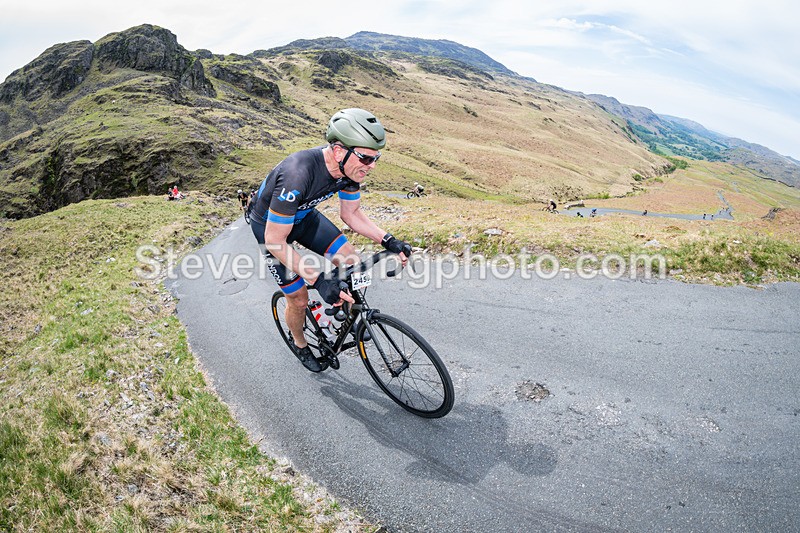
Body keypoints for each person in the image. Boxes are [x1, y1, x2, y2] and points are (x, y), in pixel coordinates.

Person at [249, 108, 411, 372]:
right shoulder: (297, 173)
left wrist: (388, 240)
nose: (372, 166)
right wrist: (320, 280)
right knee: (299, 298)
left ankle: (345, 315)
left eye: (376, 158)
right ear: (338, 151)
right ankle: (300, 344)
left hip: (303, 218)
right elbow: (275, 241)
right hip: (270, 229)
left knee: (351, 261)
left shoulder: (349, 170)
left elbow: (352, 214)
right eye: (366, 158)